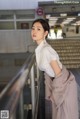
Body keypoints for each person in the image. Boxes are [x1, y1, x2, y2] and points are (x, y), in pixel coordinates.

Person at [31, 18, 79, 119]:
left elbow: (58, 73)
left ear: (45, 33)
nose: (34, 31)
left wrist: (55, 94)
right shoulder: (40, 48)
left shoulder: (46, 50)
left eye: (38, 29)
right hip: (59, 82)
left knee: (65, 114)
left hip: (65, 85)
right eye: (33, 28)